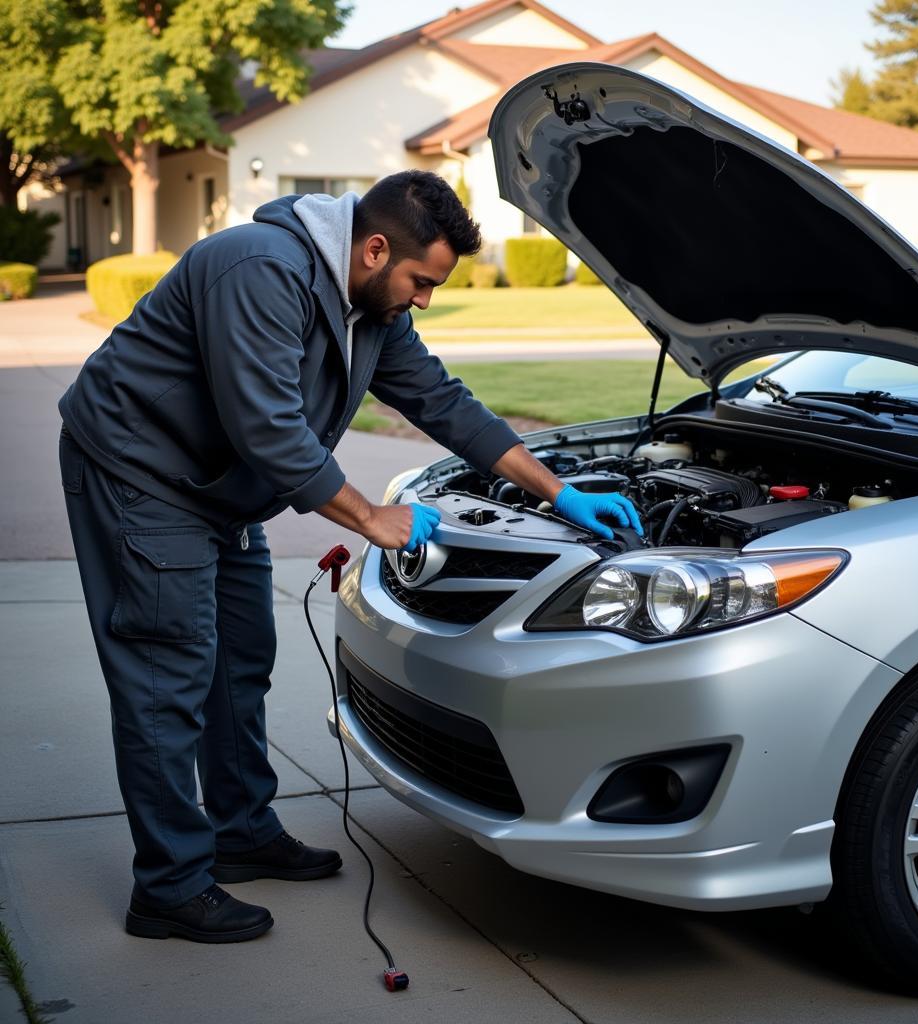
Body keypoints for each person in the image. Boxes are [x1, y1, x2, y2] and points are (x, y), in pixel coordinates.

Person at [58, 170, 641, 944]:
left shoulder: (370, 305)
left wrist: (558, 492)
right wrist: (371, 516)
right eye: (421, 281)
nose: (424, 299)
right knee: (168, 677)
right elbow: (267, 427)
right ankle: (168, 885)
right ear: (373, 249)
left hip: (218, 490)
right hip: (140, 475)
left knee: (239, 664)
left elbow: (440, 399)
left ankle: (238, 832)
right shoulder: (259, 266)